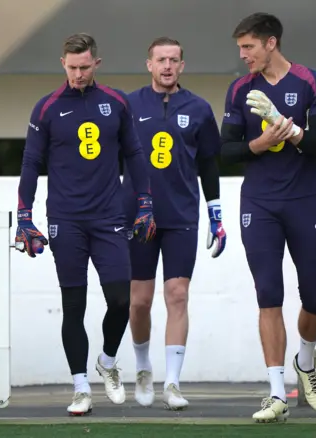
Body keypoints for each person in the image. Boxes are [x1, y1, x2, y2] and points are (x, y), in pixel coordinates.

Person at [14, 32, 156, 416]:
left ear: (97, 63)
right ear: (63, 63)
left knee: (121, 301)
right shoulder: (46, 109)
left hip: (109, 216)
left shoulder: (116, 102)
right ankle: (80, 388)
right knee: (72, 305)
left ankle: (107, 362)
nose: (78, 74)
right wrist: (23, 215)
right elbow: (30, 164)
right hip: (65, 220)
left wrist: (145, 202)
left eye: (84, 67)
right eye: (72, 67)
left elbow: (135, 154)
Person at [220, 13, 316, 423]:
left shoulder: (311, 82)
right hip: (260, 203)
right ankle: (276, 393)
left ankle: (305, 364)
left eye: (248, 47)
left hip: (305, 198)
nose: (243, 55)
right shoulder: (240, 89)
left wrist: (291, 133)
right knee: (268, 293)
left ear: (271, 43)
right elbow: (226, 150)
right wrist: (261, 142)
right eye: (240, 48)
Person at [121, 37, 226, 410]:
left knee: (178, 295)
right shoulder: (128, 105)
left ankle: (174, 383)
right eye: (160, 60)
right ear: (148, 64)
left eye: (174, 60)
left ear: (182, 66)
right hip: (138, 216)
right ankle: (143, 366)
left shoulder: (198, 108)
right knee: (139, 301)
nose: (167, 66)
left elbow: (209, 165)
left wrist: (216, 214)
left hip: (182, 215)